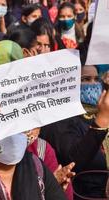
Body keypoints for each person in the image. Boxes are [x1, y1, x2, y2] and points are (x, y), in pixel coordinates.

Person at [40, 65, 109, 199]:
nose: (93, 84)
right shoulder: (62, 119)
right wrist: (101, 122)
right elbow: (73, 161)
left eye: (96, 79)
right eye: (86, 79)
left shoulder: (100, 112)